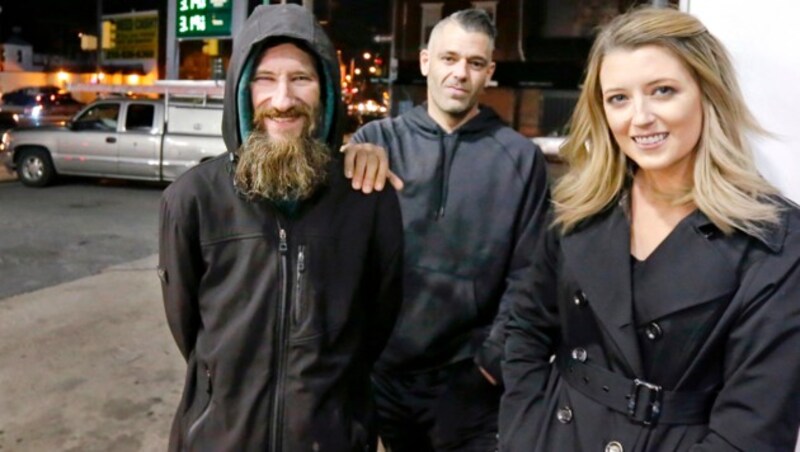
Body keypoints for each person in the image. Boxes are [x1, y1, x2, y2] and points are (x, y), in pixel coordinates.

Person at [500, 7, 800, 452]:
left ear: (707, 94)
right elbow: (524, 327)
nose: (639, 118)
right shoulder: (579, 205)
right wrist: (525, 432)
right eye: (618, 98)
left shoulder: (775, 239)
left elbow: (754, 429)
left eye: (662, 91)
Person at [158, 4, 403, 451]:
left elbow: (377, 321)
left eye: (301, 79)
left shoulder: (368, 198)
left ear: (327, 90)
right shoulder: (192, 199)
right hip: (219, 439)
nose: (283, 100)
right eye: (265, 79)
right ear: (241, 91)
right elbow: (188, 328)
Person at [343, 8, 550, 451]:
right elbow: (338, 257)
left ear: (489, 72)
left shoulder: (519, 157)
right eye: (448, 58)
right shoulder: (375, 143)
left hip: (468, 381)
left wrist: (490, 365)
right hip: (381, 374)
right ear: (425, 62)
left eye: (475, 63)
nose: (460, 73)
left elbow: (530, 272)